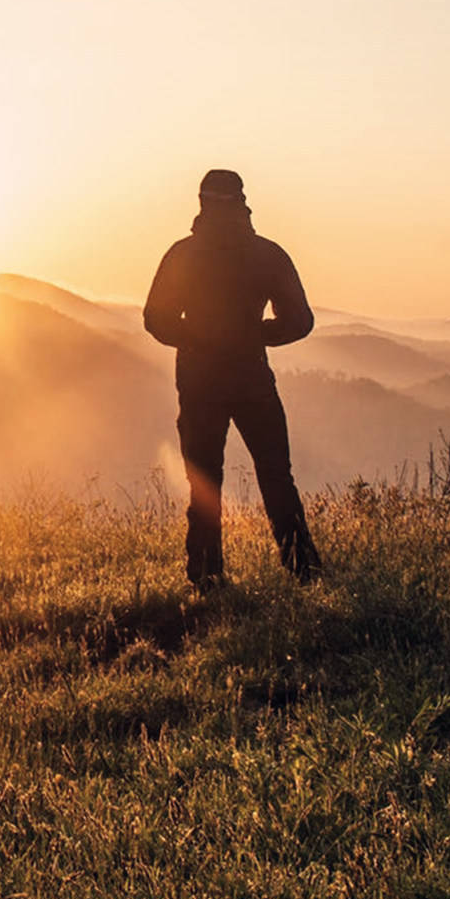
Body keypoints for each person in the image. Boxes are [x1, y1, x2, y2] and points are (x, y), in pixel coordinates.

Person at [144, 169, 324, 589]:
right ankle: (304, 570)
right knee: (277, 476)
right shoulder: (267, 254)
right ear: (242, 201)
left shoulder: (182, 255)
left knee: (204, 481)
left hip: (198, 381)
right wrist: (255, 334)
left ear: (202, 202)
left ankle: (207, 577)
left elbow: (156, 320)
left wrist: (197, 338)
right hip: (253, 380)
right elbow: (300, 321)